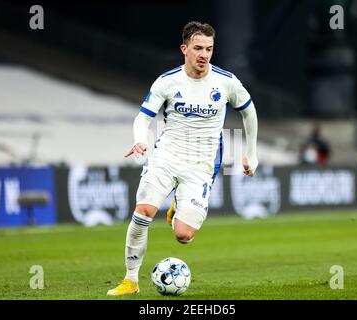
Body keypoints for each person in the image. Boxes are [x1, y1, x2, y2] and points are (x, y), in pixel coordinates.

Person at [107, 21, 259, 296]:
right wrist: (141, 139)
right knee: (143, 213)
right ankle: (130, 280)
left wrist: (251, 153)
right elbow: (144, 116)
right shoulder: (168, 81)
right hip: (166, 155)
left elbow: (248, 111)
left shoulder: (226, 81)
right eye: (198, 48)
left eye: (209, 49)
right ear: (184, 49)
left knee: (183, 236)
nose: (204, 54)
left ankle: (178, 204)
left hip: (202, 164)